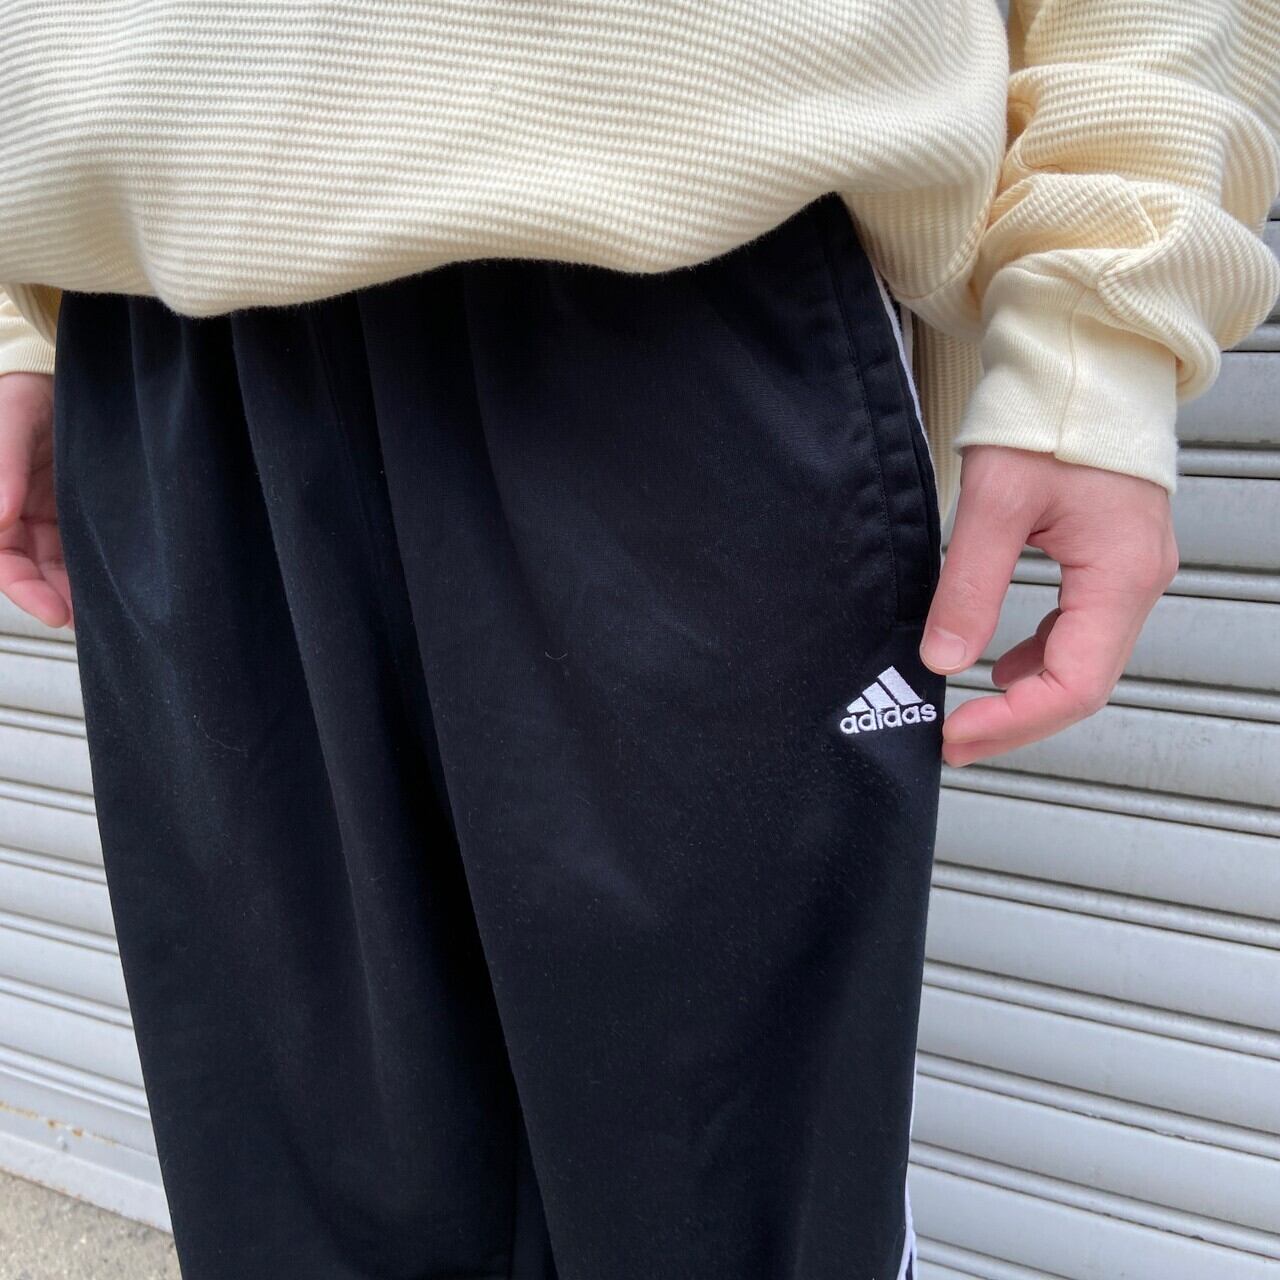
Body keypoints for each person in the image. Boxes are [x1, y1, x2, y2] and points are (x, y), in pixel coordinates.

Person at [0, 2, 1276, 1277]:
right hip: (163, 341)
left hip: (680, 274)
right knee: (293, 1232)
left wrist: (1100, 325)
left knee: (719, 1228)